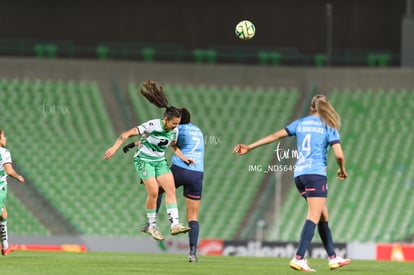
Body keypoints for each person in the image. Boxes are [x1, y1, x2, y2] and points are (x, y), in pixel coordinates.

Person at [233, 95, 351, 272]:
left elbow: (275, 136)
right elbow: (340, 155)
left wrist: (250, 146)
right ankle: (299, 257)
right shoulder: (329, 126)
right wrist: (342, 169)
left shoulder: (301, 123)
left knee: (322, 215)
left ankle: (333, 258)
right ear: (327, 107)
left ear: (311, 108)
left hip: (299, 175)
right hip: (315, 174)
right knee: (313, 215)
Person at [103, 80, 190, 241]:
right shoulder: (152, 125)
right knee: (154, 192)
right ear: (165, 119)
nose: (175, 126)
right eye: (173, 123)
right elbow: (127, 134)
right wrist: (114, 148)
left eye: (177, 124)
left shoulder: (174, 131)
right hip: (144, 161)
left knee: (171, 189)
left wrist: (184, 158)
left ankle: (175, 224)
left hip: (159, 162)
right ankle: (152, 225)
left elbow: (172, 146)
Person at [124, 108, 204, 263]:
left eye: (177, 123)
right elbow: (161, 141)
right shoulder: (197, 130)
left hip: (180, 168)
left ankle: (151, 223)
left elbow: (157, 140)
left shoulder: (175, 128)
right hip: (198, 172)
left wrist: (133, 144)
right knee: (192, 216)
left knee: (156, 190)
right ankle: (192, 251)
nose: (175, 125)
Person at [0, 129, 25, 256]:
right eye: (3, 136)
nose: (5, 138)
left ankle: (5, 246)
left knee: (3, 213)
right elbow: (9, 170)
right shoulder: (3, 152)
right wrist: (18, 176)